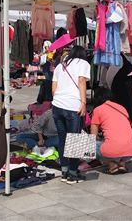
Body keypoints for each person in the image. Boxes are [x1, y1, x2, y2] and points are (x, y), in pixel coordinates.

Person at [51, 45, 90, 184]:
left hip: (57, 105)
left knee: (63, 140)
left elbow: (53, 89)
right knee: (75, 140)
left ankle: (64, 171)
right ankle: (73, 174)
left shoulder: (60, 66)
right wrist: (83, 102)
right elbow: (81, 81)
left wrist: (60, 99)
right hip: (73, 106)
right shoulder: (83, 64)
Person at [90, 87, 132, 174]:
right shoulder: (122, 108)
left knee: (93, 143)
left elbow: (93, 135)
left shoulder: (98, 110)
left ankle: (112, 165)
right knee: (118, 141)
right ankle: (122, 163)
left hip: (112, 150)